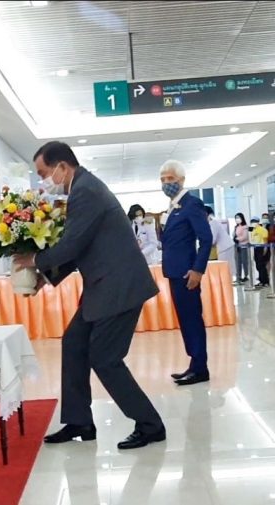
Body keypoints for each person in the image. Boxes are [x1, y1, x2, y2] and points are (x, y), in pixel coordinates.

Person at [13, 141, 165, 450]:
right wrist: (44, 277)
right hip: (104, 286)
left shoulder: (85, 191)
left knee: (105, 359)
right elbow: (82, 247)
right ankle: (79, 420)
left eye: (43, 173)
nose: (43, 181)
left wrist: (34, 260)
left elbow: (71, 245)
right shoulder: (83, 188)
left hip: (118, 288)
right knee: (73, 344)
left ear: (62, 167)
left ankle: (150, 425)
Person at [159, 160, 212, 386]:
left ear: (181, 180)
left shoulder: (192, 204)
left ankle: (200, 368)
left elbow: (206, 238)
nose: (166, 183)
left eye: (170, 178)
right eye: (162, 179)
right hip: (174, 272)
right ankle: (195, 364)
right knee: (186, 319)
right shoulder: (173, 206)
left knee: (192, 319)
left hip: (187, 274)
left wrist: (198, 269)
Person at [204, 206, 235, 279]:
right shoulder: (212, 222)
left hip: (224, 247)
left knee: (225, 268)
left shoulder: (212, 223)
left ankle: (226, 282)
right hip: (225, 246)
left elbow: (213, 239)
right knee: (226, 268)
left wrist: (204, 243)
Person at [249, 216, 270, 288]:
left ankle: (265, 281)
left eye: (254, 221)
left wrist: (265, 249)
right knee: (257, 265)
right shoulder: (252, 229)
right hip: (255, 248)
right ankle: (261, 280)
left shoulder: (263, 230)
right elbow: (251, 237)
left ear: (258, 222)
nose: (253, 223)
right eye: (252, 222)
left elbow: (265, 240)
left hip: (261, 248)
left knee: (262, 265)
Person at [233, 212, 250, 284]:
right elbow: (234, 235)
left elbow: (245, 236)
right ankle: (238, 277)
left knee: (245, 262)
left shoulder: (245, 227)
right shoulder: (236, 227)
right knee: (238, 262)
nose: (237, 219)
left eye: (238, 218)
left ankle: (246, 276)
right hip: (237, 246)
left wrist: (237, 239)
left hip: (244, 246)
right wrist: (235, 239)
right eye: (236, 218)